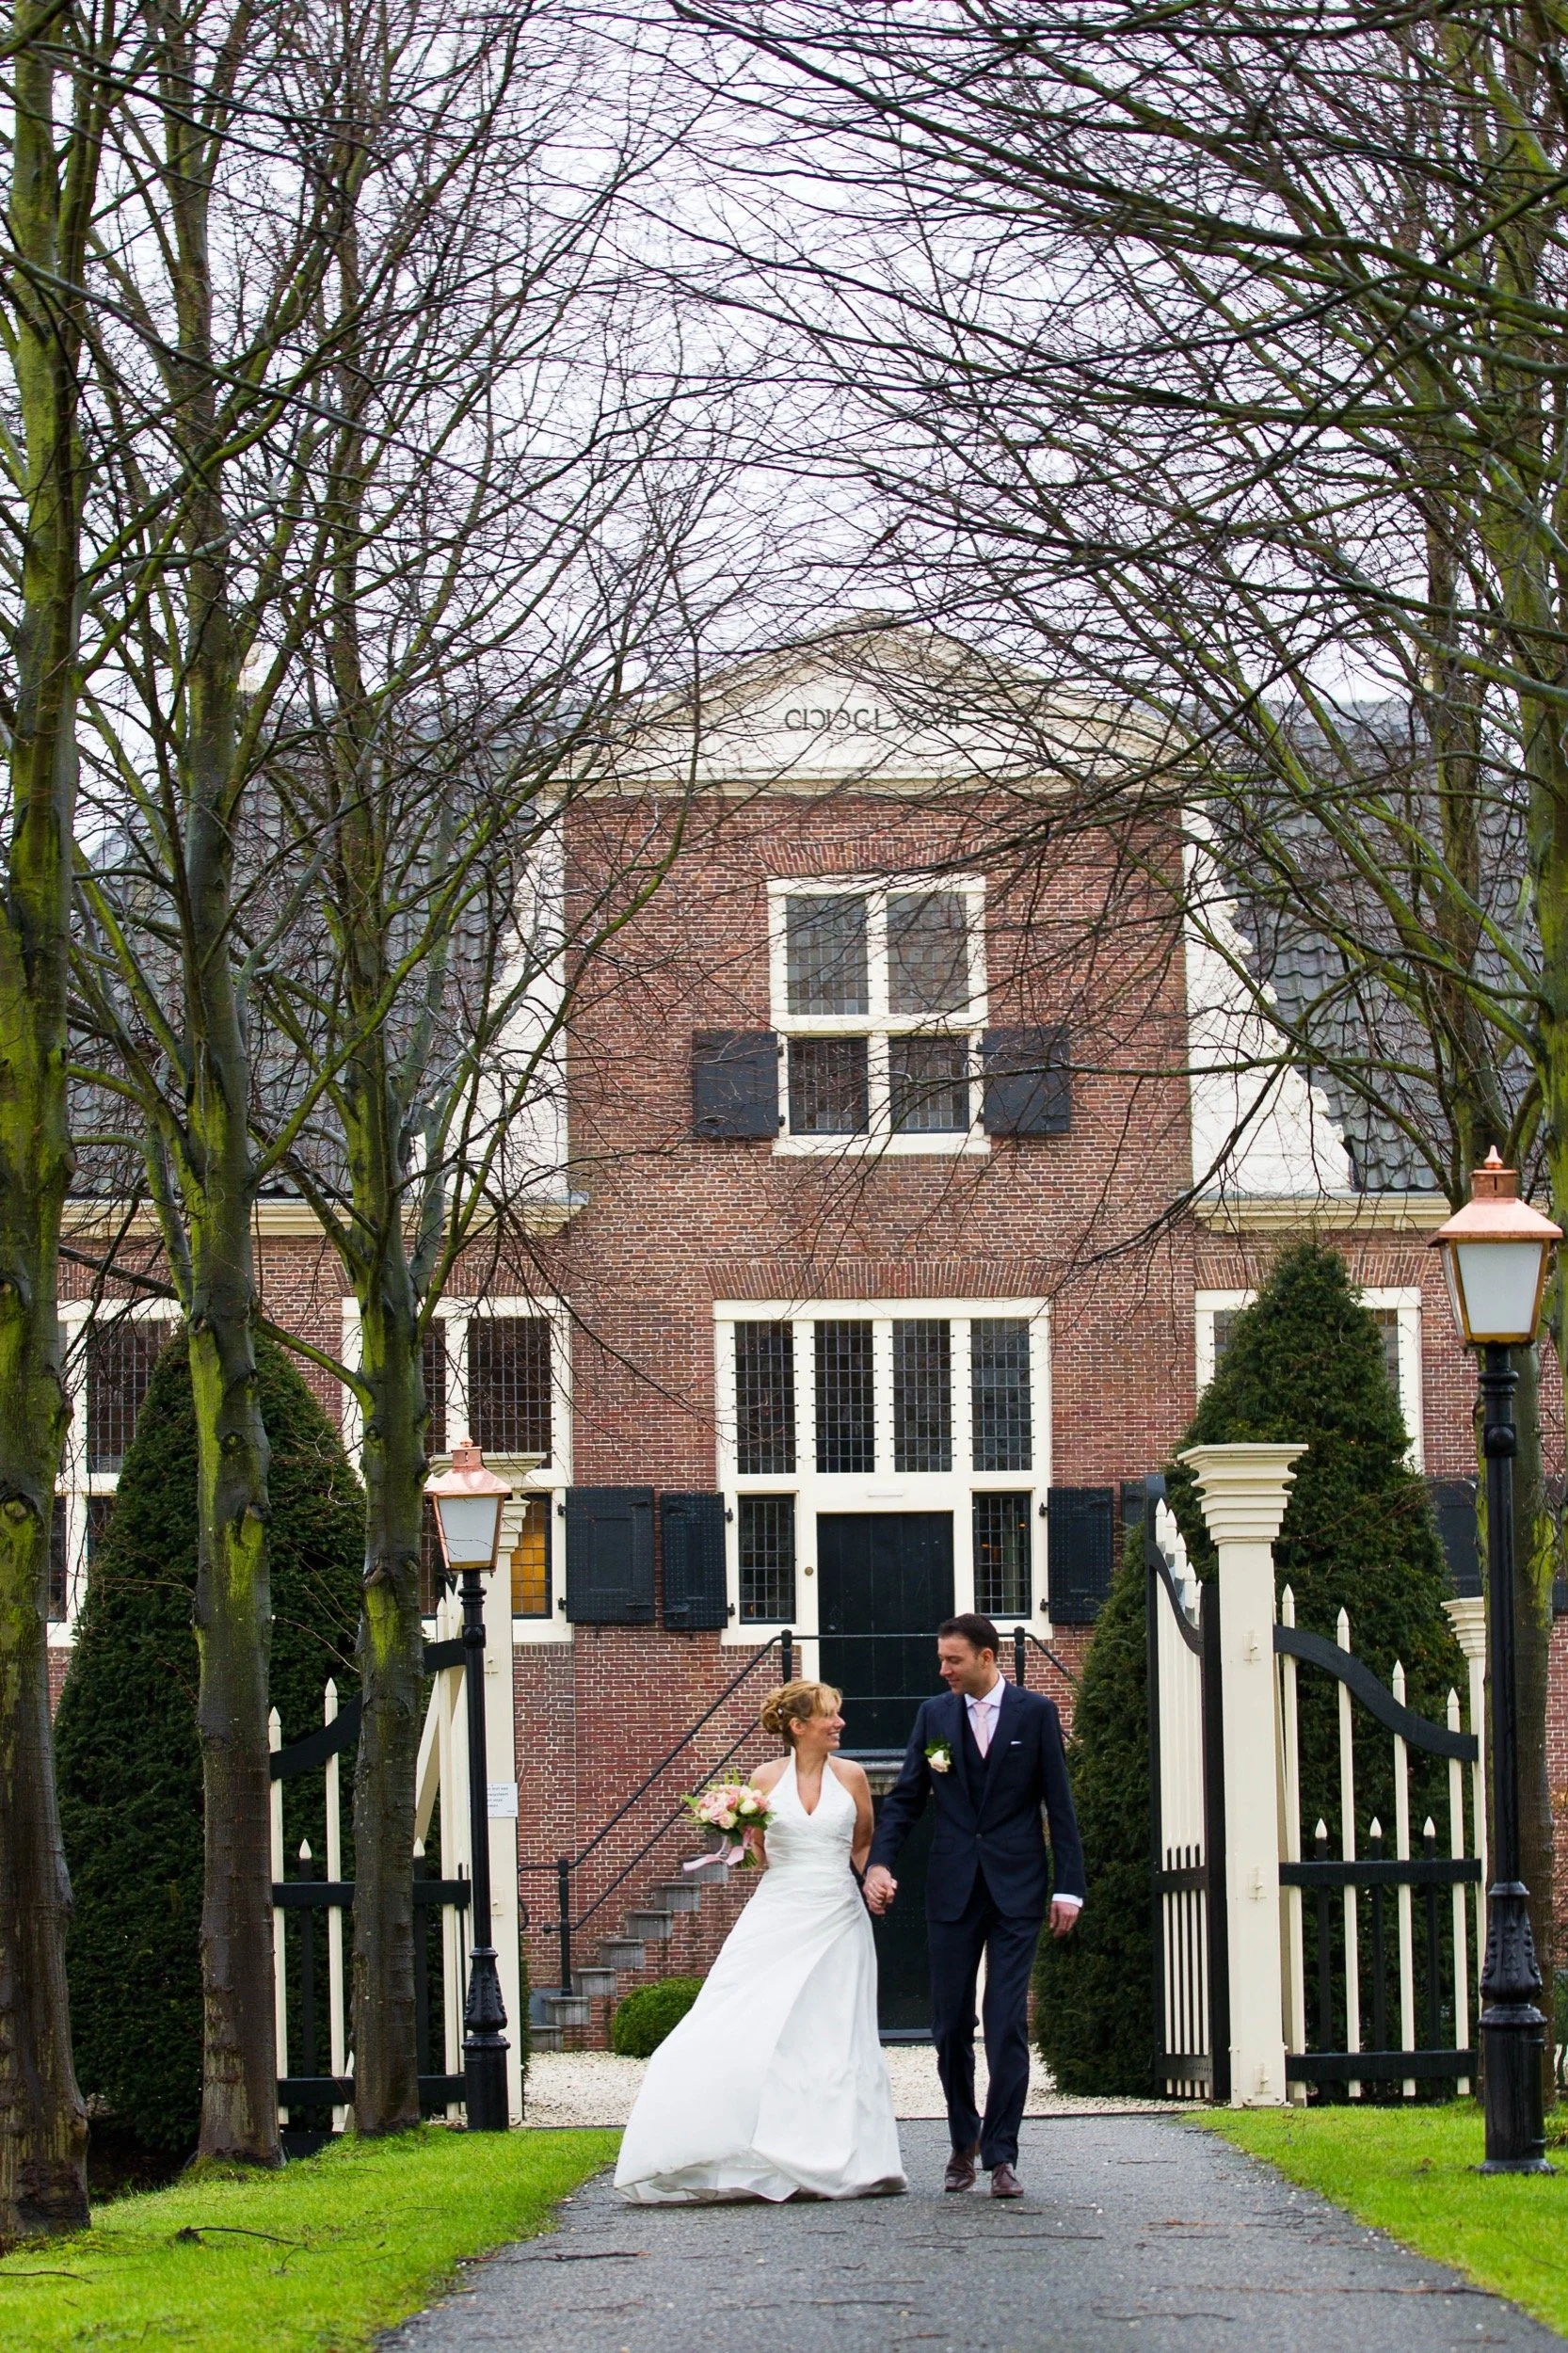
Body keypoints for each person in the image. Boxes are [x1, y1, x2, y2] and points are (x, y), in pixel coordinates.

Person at [615, 1679, 906, 2202]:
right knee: (744, 2017)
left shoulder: (854, 1776)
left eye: (839, 1714)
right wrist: (737, 1830)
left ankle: (847, 2159)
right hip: (778, 1911)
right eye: (830, 1716)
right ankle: (744, 2143)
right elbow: (761, 1860)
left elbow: (862, 1843)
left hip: (839, 1914)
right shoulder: (763, 1779)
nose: (840, 1723)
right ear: (798, 1727)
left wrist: (875, 1879)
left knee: (835, 2031)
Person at [863, 1613, 1085, 2201]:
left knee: (1007, 2020)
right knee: (950, 2026)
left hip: (1016, 1890)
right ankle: (964, 2142)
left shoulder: (1034, 1714)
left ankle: (1004, 2154)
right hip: (952, 1890)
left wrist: (1070, 1886)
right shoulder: (934, 1717)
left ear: (987, 1658)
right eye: (942, 1660)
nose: (943, 1670)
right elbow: (907, 1797)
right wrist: (879, 1863)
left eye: (953, 1660)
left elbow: (1058, 1804)